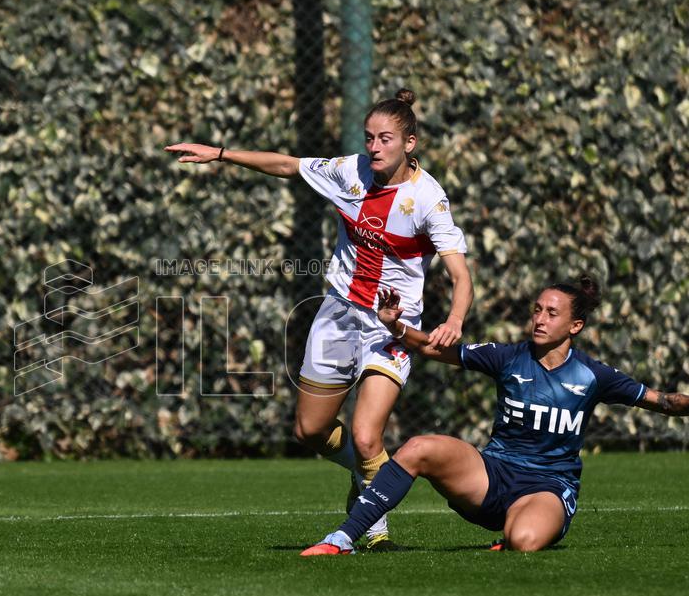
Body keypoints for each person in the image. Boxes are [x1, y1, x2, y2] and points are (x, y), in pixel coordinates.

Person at [166, 89, 473, 549]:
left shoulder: (428, 198)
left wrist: (454, 319)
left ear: (410, 143)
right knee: (310, 431)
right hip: (337, 317)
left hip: (389, 327)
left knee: (369, 437)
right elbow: (288, 164)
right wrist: (222, 154)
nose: (373, 147)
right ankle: (362, 475)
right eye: (369, 137)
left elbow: (459, 274)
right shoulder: (350, 172)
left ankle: (372, 524)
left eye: (385, 139)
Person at [301, 276, 689, 555]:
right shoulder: (508, 357)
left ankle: (519, 528)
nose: (539, 319)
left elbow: (665, 402)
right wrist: (396, 325)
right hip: (491, 476)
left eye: (552, 314)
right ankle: (342, 538)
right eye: (537, 310)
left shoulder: (594, 375)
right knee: (419, 447)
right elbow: (436, 350)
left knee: (524, 542)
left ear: (575, 325)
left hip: (548, 486)